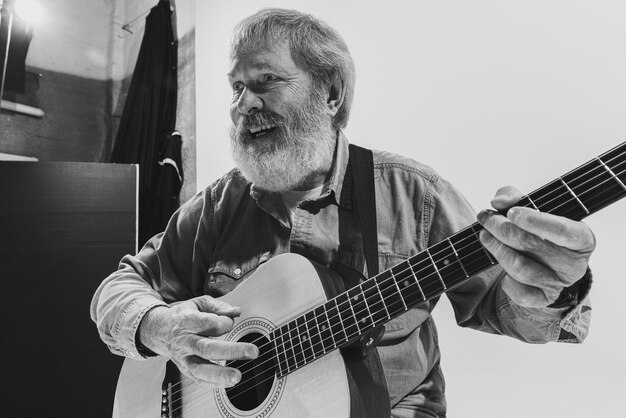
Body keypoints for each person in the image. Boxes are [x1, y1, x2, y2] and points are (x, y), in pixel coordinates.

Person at [91, 8, 594, 417]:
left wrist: (546, 289)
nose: (242, 104)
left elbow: (504, 310)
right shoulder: (220, 205)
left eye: (265, 80)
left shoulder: (414, 194)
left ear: (330, 95)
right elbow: (118, 289)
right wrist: (156, 324)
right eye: (236, 87)